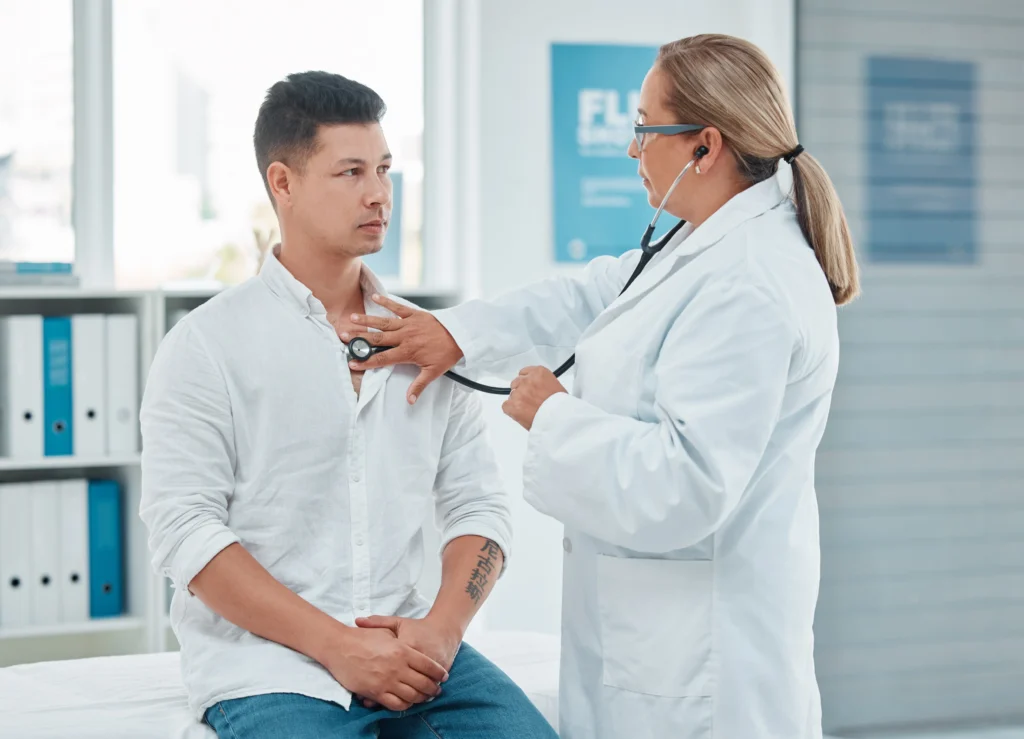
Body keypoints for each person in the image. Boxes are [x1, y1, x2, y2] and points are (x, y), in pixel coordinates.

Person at [341, 34, 860, 739]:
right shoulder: (701, 245)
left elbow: (689, 483)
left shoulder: (750, 286)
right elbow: (590, 296)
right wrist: (457, 332)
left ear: (704, 147)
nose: (631, 149)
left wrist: (552, 418)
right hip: (658, 644)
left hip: (703, 674)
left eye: (645, 128)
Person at [139, 71, 557, 739]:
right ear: (283, 183)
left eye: (386, 170)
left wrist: (442, 632)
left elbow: (478, 505)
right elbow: (186, 532)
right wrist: (338, 645)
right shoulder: (207, 346)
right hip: (271, 665)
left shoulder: (428, 341)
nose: (379, 194)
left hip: (412, 651)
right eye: (351, 172)